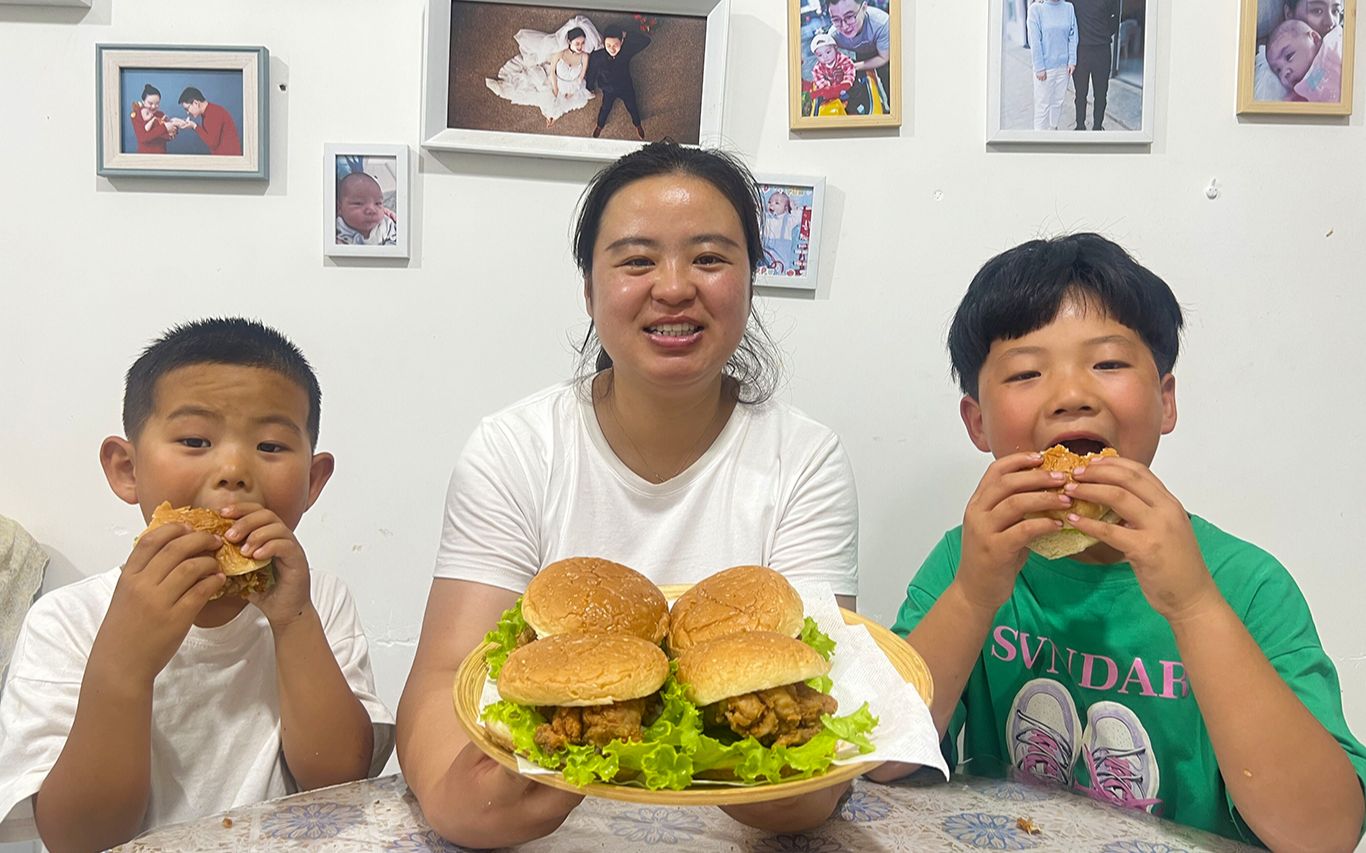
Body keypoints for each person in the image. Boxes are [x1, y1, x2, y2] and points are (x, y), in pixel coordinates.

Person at [396, 141, 859, 848]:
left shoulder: (804, 458)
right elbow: (443, 678)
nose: (673, 288)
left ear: (751, 281)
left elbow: (811, 751)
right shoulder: (515, 447)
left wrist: (776, 769)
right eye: (637, 260)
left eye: (708, 258)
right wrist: (465, 801)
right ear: (589, 289)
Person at [868, 234, 1366, 847]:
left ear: (1165, 401)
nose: (1072, 394)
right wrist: (973, 595)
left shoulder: (1245, 584)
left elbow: (1326, 833)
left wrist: (1194, 605)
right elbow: (880, 762)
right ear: (978, 423)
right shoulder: (966, 562)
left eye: (1107, 364)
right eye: (1026, 372)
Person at [0, 318, 394, 851]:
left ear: (313, 481)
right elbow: (78, 837)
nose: (233, 470)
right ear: (126, 469)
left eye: (272, 446)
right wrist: (124, 665)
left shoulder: (318, 601)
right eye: (194, 440)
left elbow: (338, 784)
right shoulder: (66, 622)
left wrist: (294, 622)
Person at [485, 16, 602, 127]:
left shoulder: (584, 56)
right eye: (577, 43)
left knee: (563, 104)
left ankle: (552, 116)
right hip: (556, 81)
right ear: (570, 41)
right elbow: (552, 72)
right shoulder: (560, 53)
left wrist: (573, 90)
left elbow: (581, 76)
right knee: (531, 92)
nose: (580, 46)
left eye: (582, 43)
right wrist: (556, 88)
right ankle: (503, 89)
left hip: (574, 86)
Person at [1253, 0, 1344, 100]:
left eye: (1335, 11)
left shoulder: (1342, 43)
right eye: (1317, 10)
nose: (1330, 22)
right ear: (1289, 14)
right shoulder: (1271, 74)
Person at [824, 0, 892, 114]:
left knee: (888, 79)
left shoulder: (882, 23)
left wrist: (853, 66)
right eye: (836, 19)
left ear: (864, 7)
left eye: (850, 16)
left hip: (884, 50)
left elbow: (884, 57)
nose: (844, 26)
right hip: (862, 51)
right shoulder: (833, 36)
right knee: (864, 83)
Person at [587, 22, 650, 139]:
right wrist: (590, 87)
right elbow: (591, 72)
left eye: (616, 44)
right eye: (608, 45)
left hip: (625, 86)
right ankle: (600, 125)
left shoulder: (626, 51)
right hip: (608, 89)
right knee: (605, 108)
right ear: (603, 43)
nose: (612, 49)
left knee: (632, 106)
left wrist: (626, 34)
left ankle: (637, 124)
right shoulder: (598, 56)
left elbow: (645, 41)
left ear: (622, 42)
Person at [1027, 0, 1078, 130]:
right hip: (1045, 69)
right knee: (1042, 106)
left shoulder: (1068, 8)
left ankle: (1053, 129)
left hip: (1064, 68)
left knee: (1058, 102)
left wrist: (1072, 60)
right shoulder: (1036, 10)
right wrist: (1039, 67)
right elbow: (1035, 41)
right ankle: (1039, 141)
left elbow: (1073, 35)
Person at [1069, 0, 1119, 130]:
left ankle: (1097, 126)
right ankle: (1080, 126)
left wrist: (1102, 35)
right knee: (1080, 94)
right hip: (1081, 52)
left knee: (1101, 94)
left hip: (1102, 51)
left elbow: (1115, 19)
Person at [1265, 18, 1342, 102]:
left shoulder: (1331, 46)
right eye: (1278, 70)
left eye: (1289, 56)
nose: (1284, 73)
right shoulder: (1303, 89)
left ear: (1315, 39)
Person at [166, 87, 242, 156]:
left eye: (187, 109)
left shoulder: (213, 113)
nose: (187, 113)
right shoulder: (210, 112)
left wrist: (194, 126)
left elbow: (212, 143)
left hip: (229, 161)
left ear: (196, 103)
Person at [336, 171, 398, 246]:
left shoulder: (386, 225)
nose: (371, 210)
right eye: (358, 203)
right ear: (339, 208)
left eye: (378, 203)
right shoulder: (336, 228)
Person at [807, 31, 857, 106]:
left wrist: (845, 84)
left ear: (835, 48)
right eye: (820, 55)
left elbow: (849, 72)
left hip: (845, 86)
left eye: (828, 52)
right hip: (831, 90)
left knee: (856, 92)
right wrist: (827, 88)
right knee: (822, 102)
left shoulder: (843, 60)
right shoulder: (818, 68)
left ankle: (856, 107)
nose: (825, 57)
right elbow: (819, 79)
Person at [761, 189, 802, 273]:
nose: (771, 204)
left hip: (781, 256)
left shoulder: (788, 220)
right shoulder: (765, 217)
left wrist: (793, 207)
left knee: (781, 270)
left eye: (777, 203)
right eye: (769, 202)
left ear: (786, 208)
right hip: (765, 254)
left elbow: (799, 217)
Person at [129, 84, 177, 154]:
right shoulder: (136, 115)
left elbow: (166, 137)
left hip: (162, 154)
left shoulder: (160, 114)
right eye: (150, 103)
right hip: (144, 156)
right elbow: (142, 137)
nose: (154, 106)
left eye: (157, 103)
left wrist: (172, 132)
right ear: (143, 101)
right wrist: (165, 128)